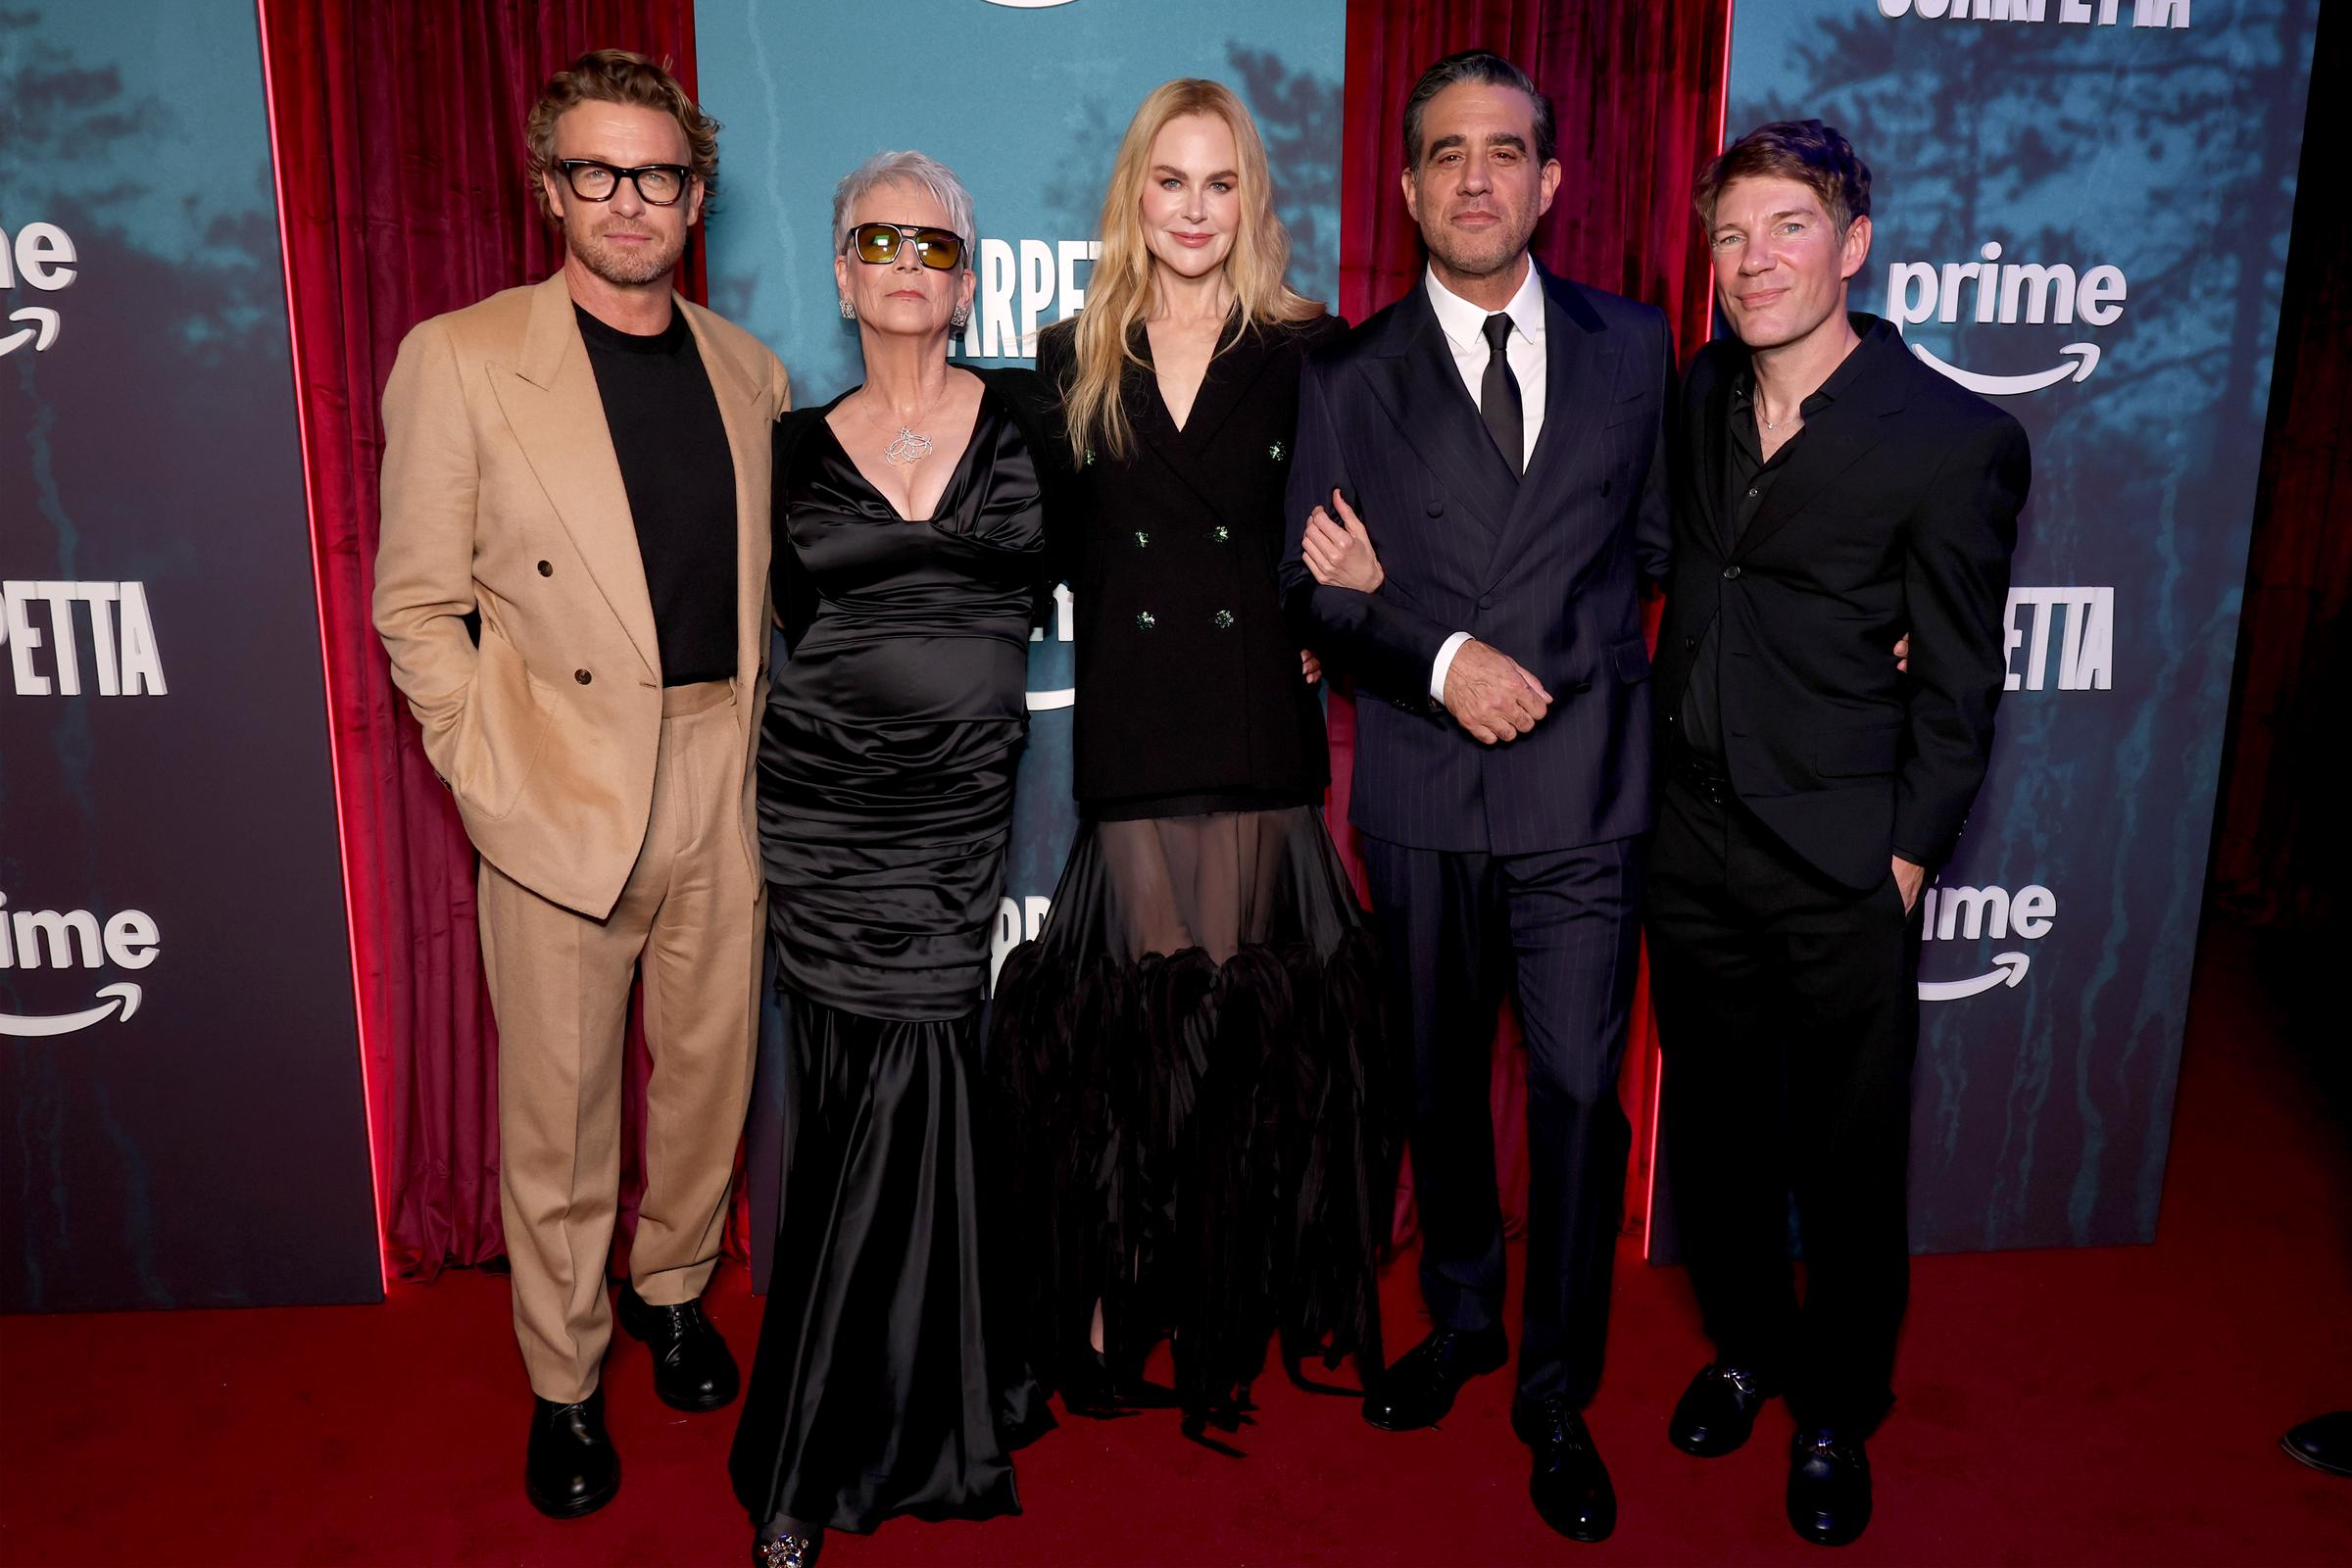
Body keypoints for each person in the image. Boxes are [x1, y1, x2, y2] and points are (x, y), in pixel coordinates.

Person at [372, 49, 789, 1520]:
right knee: (556, 1113)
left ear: (697, 194)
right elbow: (416, 605)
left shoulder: (752, 373)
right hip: (555, 778)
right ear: (547, 185)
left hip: (721, 762)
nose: (630, 201)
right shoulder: (464, 356)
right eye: (598, 172)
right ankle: (564, 1375)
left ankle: (674, 1288)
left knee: (707, 1077)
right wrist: (491, 772)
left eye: (660, 174)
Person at [1280, 49, 1673, 1545]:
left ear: (1551, 180)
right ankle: (1462, 1316)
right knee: (1440, 1084)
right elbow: (1303, 597)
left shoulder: (1637, 348)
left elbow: (1662, 555)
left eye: (1503, 152)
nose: (1474, 179)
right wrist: (1438, 656)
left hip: (1585, 784)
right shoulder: (1346, 373)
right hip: (1423, 779)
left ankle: (1559, 1391)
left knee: (1577, 1093)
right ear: (1406, 187)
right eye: (1444, 155)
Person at [986, 78, 1397, 1449]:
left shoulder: (1311, 352)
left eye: (1222, 184)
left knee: (1241, 1038)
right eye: (1172, 182)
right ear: (1135, 197)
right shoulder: (1064, 360)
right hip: (1138, 738)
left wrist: (1354, 608)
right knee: (1135, 1035)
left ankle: (1228, 1301)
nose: (1196, 210)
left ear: (1251, 202)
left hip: (1255, 735)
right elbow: (1013, 549)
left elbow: (1364, 544)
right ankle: (1118, 1297)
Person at [1645, 120, 2029, 1548]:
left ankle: (1836, 1411)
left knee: (1848, 1164)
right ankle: (1746, 1351)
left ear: (1853, 245)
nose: (1754, 263)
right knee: (1726, 1144)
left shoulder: (1952, 438)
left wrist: (1906, 861)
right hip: (1687, 844)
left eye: (1787, 229)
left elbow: (1963, 681)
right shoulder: (1701, 393)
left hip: (1842, 867)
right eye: (1732, 237)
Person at [726, 151, 1057, 1568]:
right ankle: (830, 1448)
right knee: (862, 1092)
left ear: (967, 278)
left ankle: (881, 1418)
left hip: (955, 812)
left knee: (919, 1079)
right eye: (881, 241)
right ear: (845, 271)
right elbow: (772, 613)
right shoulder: (790, 441)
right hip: (822, 806)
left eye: (935, 245)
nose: (908, 266)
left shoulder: (1036, 415)